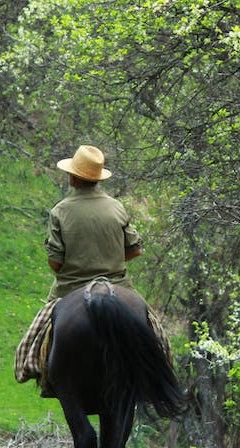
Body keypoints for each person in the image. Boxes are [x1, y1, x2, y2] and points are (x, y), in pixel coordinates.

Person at [15, 145, 167, 394]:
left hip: (70, 288)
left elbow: (55, 263)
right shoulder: (116, 207)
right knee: (156, 334)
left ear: (73, 177)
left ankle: (32, 368)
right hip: (118, 285)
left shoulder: (60, 211)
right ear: (97, 178)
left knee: (33, 339)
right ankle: (160, 373)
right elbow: (135, 250)